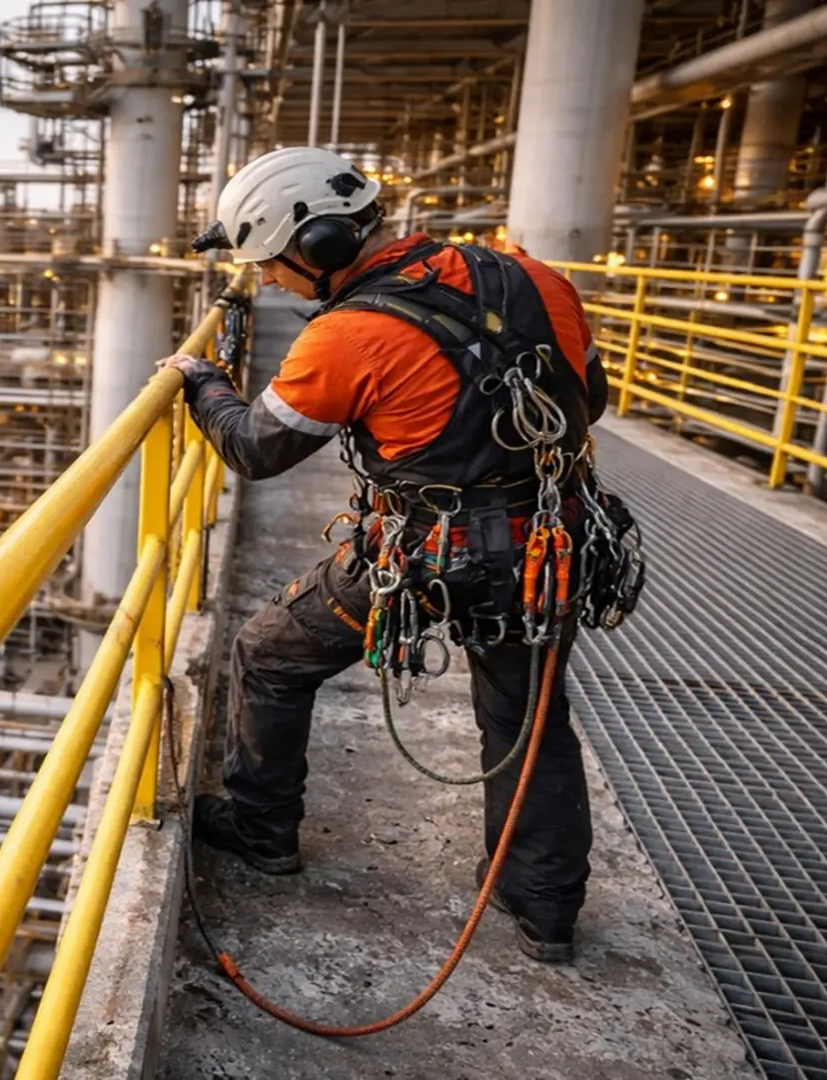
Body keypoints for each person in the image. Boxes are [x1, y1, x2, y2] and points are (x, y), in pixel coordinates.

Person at [161, 146, 632, 964]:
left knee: (268, 653)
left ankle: (262, 828)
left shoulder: (346, 337)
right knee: (529, 722)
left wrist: (203, 380)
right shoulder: (535, 276)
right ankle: (543, 910)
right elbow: (589, 398)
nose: (267, 282)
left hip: (428, 555)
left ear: (322, 248)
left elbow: (253, 450)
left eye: (272, 265)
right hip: (545, 543)